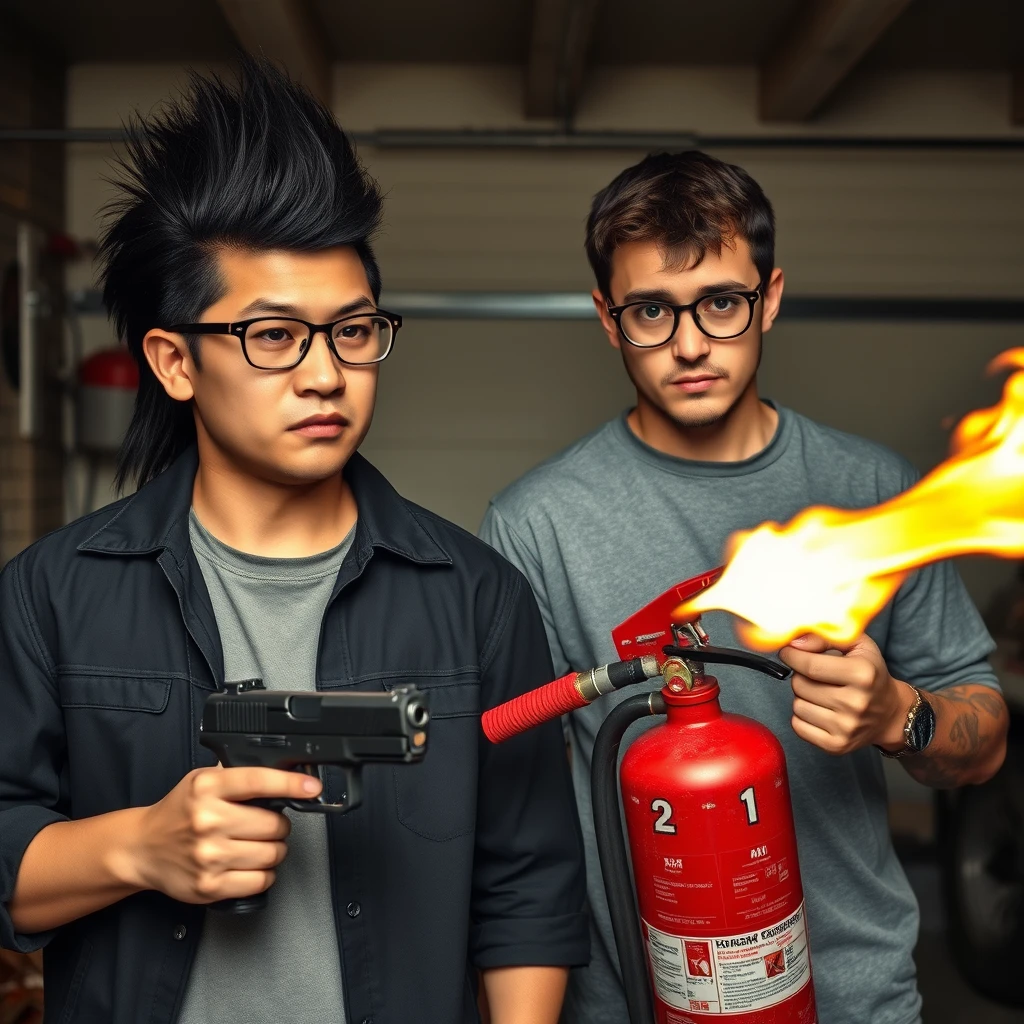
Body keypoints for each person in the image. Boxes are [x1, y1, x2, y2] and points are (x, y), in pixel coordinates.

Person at [0, 60, 588, 1024]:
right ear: (175, 362)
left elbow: (527, 888)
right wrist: (141, 848)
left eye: (352, 330)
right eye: (274, 337)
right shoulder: (52, 594)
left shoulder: (479, 596)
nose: (327, 374)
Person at [480, 150, 1008, 1024]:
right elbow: (513, 817)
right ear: (610, 323)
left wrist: (897, 716)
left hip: (854, 1001)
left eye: (721, 302)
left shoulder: (873, 489)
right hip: (637, 1005)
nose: (689, 344)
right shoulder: (536, 524)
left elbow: (983, 743)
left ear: (769, 298)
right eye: (652, 310)